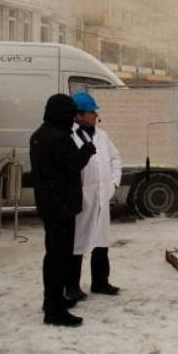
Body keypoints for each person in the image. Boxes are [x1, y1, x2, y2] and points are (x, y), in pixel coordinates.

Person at [30, 94, 96, 327]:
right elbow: (74, 163)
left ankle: (53, 300)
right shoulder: (59, 138)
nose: (73, 120)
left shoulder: (39, 135)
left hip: (49, 206)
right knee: (59, 258)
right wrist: (89, 147)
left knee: (53, 256)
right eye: (70, 115)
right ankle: (55, 310)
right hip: (62, 208)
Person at [65, 92, 122, 302]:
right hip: (83, 198)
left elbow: (115, 160)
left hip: (101, 197)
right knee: (77, 243)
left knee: (101, 242)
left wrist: (113, 184)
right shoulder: (69, 136)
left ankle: (100, 282)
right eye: (91, 112)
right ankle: (71, 286)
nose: (96, 115)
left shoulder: (102, 136)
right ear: (78, 115)